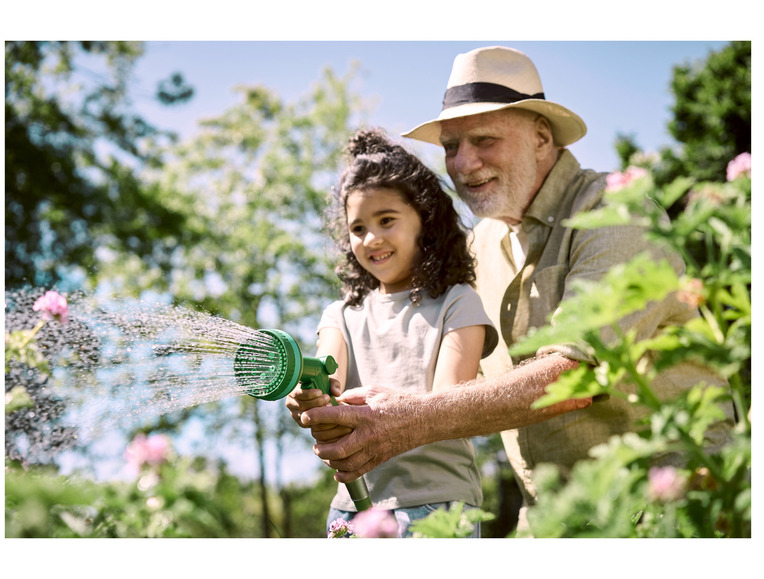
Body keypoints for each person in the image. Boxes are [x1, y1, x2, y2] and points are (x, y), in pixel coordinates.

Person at [290, 46, 735, 536]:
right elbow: (410, 337)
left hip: (672, 507)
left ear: (542, 137)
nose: (464, 163)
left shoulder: (615, 210)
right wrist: (330, 395)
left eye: (484, 139)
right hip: (552, 519)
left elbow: (571, 376)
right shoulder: (477, 246)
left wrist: (408, 420)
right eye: (451, 146)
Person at [286, 127, 498, 537]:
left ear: (425, 221)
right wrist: (309, 396)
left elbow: (448, 409)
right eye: (358, 228)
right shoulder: (341, 315)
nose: (372, 238)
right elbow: (326, 378)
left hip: (437, 506)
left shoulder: (458, 303)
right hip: (352, 510)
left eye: (386, 220)